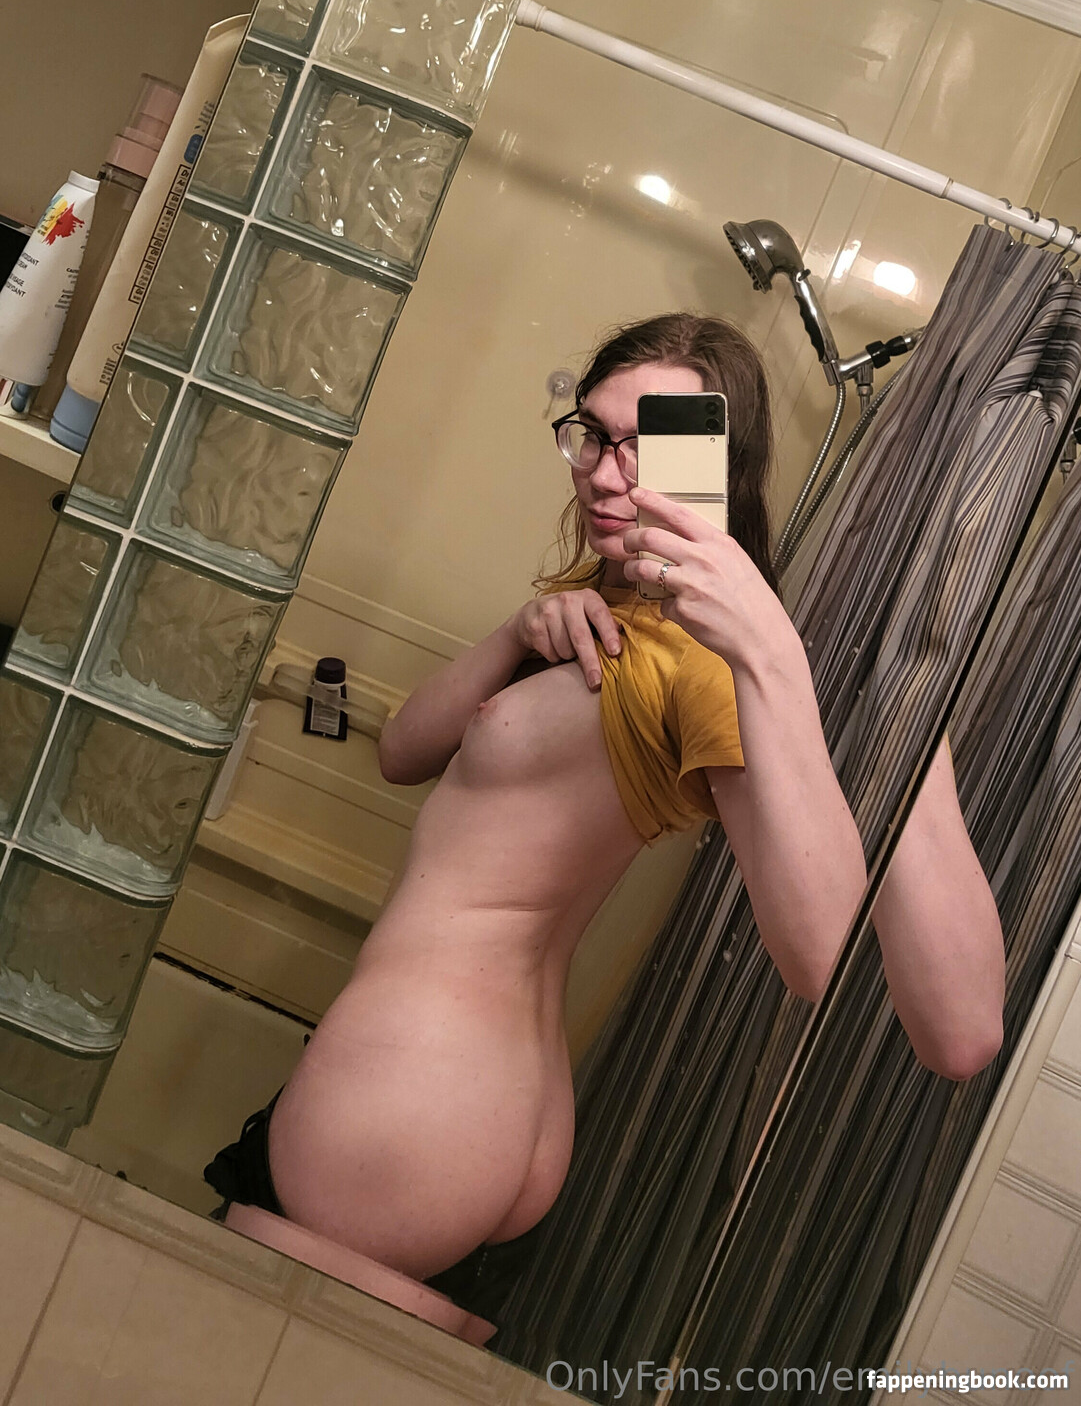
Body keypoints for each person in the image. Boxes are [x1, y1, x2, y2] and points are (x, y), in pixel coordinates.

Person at [204, 312, 1004, 1317]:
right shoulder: (607, 610)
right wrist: (515, 633)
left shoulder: (705, 663)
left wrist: (769, 660)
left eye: (650, 446)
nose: (603, 472)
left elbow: (820, 960)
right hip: (473, 1104)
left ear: (719, 471)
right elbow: (402, 751)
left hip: (418, 1099)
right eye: (593, 433)